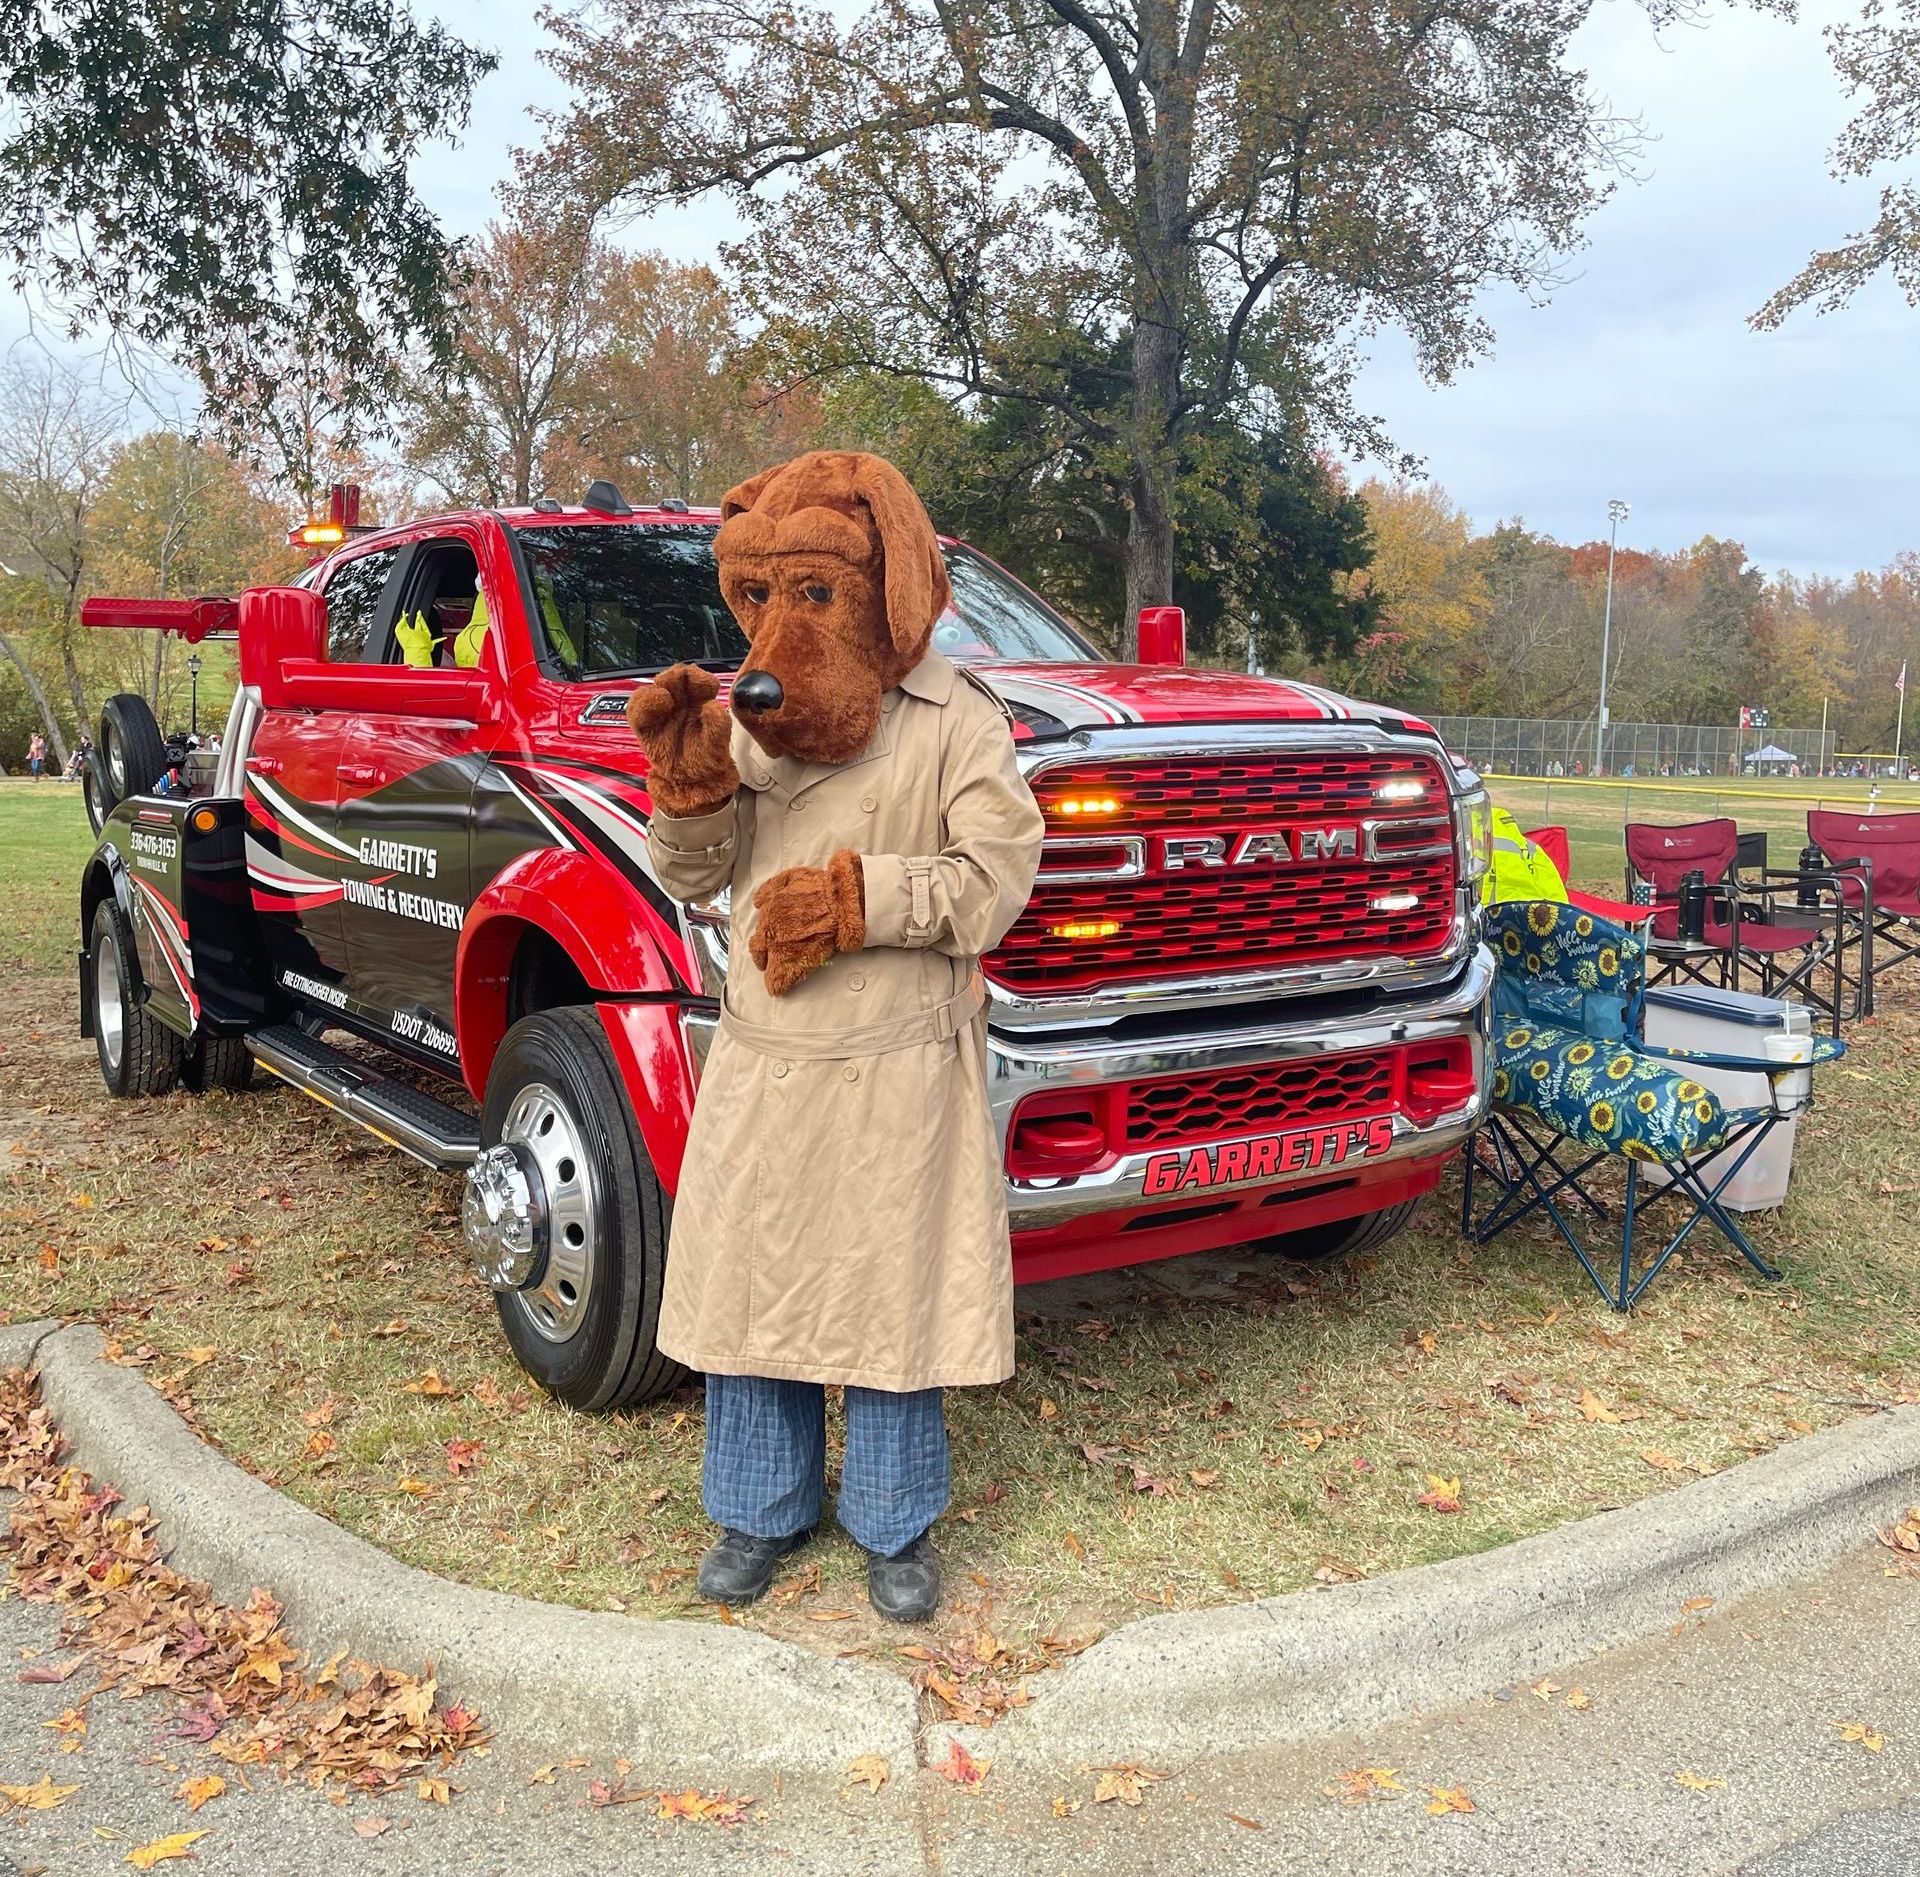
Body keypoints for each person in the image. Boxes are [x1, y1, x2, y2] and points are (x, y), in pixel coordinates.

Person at [630, 450, 1045, 1624]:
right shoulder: (753, 714)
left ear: (882, 583)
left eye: (811, 594)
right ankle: (755, 1510)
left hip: (899, 1064)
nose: (779, 629)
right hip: (771, 1053)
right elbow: (698, 879)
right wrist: (691, 793)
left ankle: (895, 1523)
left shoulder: (955, 719)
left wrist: (867, 899)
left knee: (892, 1297)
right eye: (759, 599)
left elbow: (997, 880)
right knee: (757, 1284)